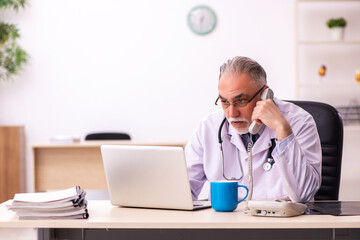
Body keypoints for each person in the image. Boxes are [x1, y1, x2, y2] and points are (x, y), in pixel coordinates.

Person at [185, 56, 321, 203]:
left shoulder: (300, 122)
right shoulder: (208, 127)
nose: (232, 114)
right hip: (224, 224)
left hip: (281, 224)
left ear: (264, 95)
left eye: (241, 101)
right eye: (224, 102)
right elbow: (182, 192)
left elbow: (304, 195)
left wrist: (282, 130)